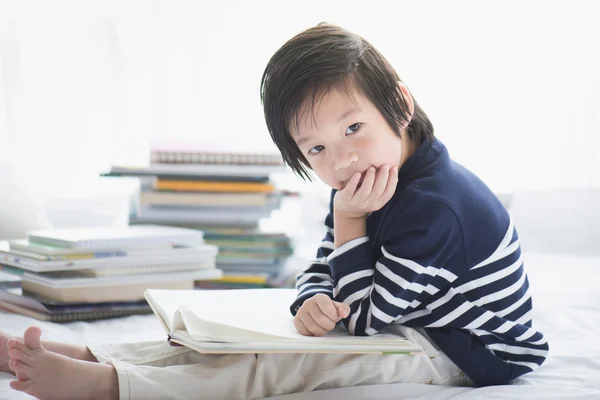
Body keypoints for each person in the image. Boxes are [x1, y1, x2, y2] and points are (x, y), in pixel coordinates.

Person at [1, 22, 547, 400]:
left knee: (282, 367)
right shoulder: (371, 182)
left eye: (353, 128)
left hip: (464, 350)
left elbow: (365, 322)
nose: (342, 158)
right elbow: (325, 266)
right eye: (316, 149)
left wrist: (349, 224)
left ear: (400, 105)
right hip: (405, 318)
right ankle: (90, 355)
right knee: (214, 337)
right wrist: (312, 298)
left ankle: (107, 387)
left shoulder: (435, 209)